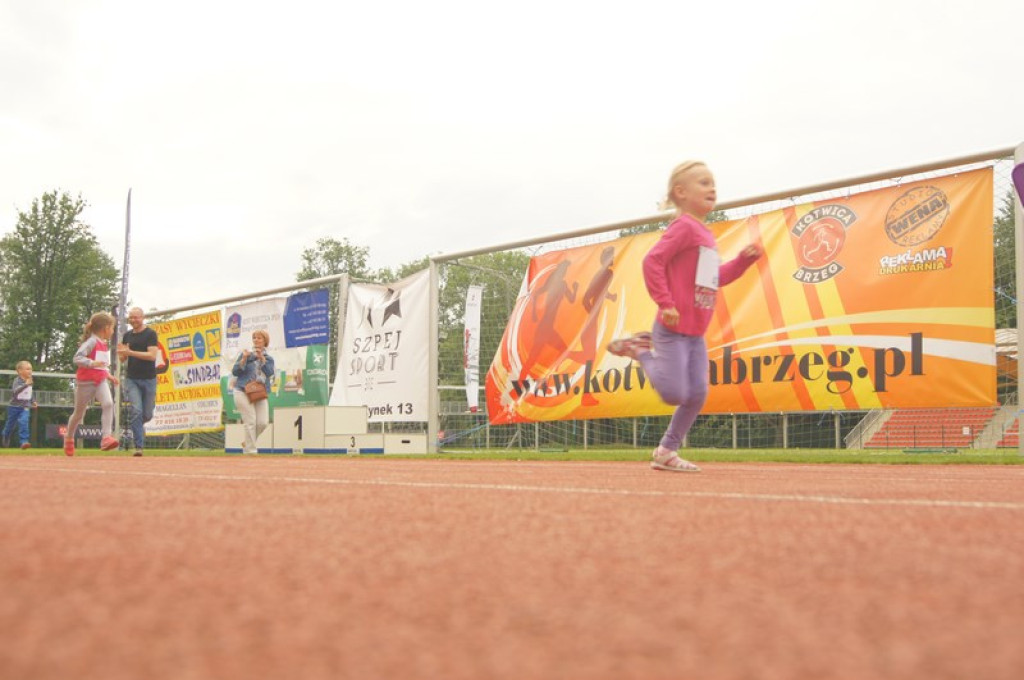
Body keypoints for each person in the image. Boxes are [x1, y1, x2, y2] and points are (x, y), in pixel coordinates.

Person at [607, 161, 763, 472]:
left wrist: (743, 262)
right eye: (704, 183)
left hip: (695, 335)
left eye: (713, 183)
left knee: (697, 394)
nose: (712, 188)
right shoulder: (684, 228)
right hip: (671, 329)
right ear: (681, 192)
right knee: (674, 393)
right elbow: (652, 261)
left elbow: (715, 278)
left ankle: (667, 451)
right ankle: (641, 350)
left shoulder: (705, 234)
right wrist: (665, 302)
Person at [65, 312, 121, 456]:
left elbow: (102, 366)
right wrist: (91, 363)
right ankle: (69, 437)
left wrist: (109, 376)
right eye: (112, 328)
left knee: (108, 404)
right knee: (79, 413)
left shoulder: (104, 344)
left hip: (100, 381)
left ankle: (106, 438)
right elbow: (77, 358)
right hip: (85, 383)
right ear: (106, 328)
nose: (113, 331)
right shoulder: (91, 342)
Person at [117, 307, 159, 457]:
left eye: (136, 317)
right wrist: (122, 353)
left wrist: (131, 352)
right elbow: (123, 359)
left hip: (149, 379)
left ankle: (139, 427)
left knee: (147, 414)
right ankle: (138, 446)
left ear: (142, 317)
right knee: (136, 411)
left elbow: (152, 356)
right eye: (131, 317)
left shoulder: (150, 334)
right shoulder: (127, 336)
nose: (133, 320)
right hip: (132, 379)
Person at [231, 329, 275, 454]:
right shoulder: (246, 354)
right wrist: (244, 359)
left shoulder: (269, 358)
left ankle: (247, 442)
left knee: (262, 423)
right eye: (254, 338)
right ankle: (250, 451)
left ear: (265, 341)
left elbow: (269, 373)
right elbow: (235, 371)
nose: (256, 340)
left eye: (259, 338)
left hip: (260, 392)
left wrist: (262, 359)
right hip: (242, 391)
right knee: (250, 421)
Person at [3, 361, 37, 449]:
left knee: (24, 422)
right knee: (10, 425)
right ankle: (6, 436)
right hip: (14, 407)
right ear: (20, 371)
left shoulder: (30, 380)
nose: (30, 371)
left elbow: (30, 391)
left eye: (31, 369)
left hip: (25, 407)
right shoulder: (17, 381)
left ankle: (24, 441)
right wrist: (25, 384)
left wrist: (33, 400)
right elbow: (16, 391)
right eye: (27, 369)